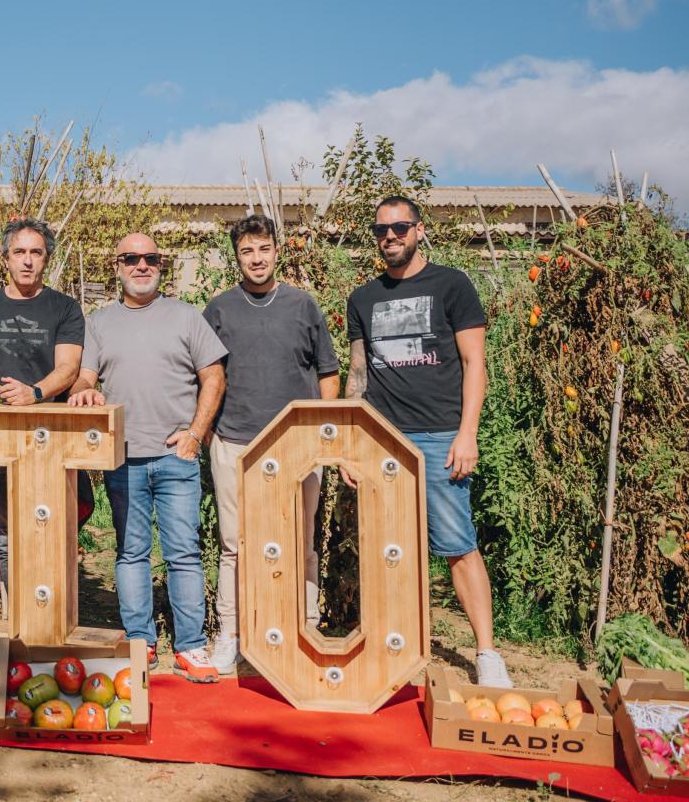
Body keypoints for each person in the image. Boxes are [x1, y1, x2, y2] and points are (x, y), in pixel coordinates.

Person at [345, 195, 512, 689]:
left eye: (399, 227)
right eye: (381, 230)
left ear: (418, 230)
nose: (390, 236)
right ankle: (391, 646)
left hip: (441, 435)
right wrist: (351, 445)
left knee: (459, 545)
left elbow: (474, 363)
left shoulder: (452, 284)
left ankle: (487, 654)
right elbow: (358, 374)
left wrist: (467, 434)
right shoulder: (363, 298)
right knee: (385, 549)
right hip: (382, 441)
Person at [69, 233, 227, 680]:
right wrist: (85, 395)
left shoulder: (185, 316)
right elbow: (84, 379)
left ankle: (191, 647)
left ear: (162, 265)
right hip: (122, 457)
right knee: (131, 552)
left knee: (184, 554)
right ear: (117, 266)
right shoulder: (98, 322)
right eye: (132, 258)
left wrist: (195, 434)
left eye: (150, 258)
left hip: (176, 457)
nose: (142, 265)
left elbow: (213, 377)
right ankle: (139, 640)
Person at [202, 215, 339, 676]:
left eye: (263, 249)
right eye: (246, 251)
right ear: (236, 257)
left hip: (298, 447)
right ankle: (231, 636)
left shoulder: (303, 306)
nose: (256, 259)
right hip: (235, 442)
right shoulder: (219, 309)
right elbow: (203, 375)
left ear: (276, 251)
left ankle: (303, 629)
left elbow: (328, 373)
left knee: (298, 541)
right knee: (234, 544)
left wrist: (323, 435)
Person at [0, 216, 85, 590]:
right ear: (6, 259)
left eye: (36, 253)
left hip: (50, 437)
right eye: (19, 252)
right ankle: (18, 624)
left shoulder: (65, 308)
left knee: (53, 527)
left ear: (47, 260)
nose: (27, 260)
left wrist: (36, 393)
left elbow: (69, 366)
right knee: (8, 536)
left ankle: (54, 623)